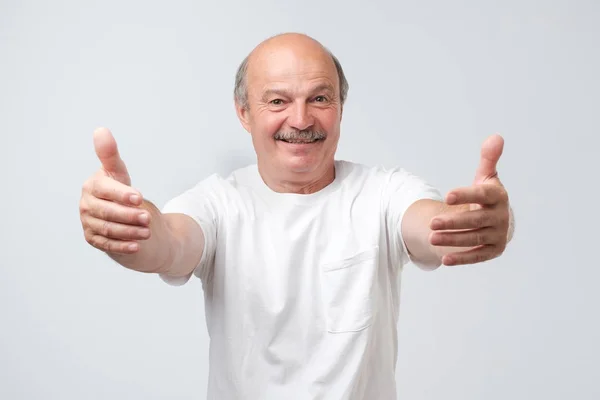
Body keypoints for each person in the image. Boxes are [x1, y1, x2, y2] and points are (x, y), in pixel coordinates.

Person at [79, 33, 514, 400]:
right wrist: (128, 224)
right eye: (277, 100)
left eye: (319, 98)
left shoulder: (385, 192)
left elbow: (432, 224)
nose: (301, 119)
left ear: (340, 108)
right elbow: (168, 244)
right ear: (244, 113)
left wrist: (484, 222)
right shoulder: (218, 202)